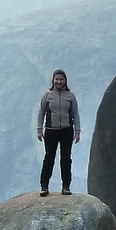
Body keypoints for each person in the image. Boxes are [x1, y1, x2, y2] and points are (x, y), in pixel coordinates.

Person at [36, 68, 80, 197]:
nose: (59, 82)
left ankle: (66, 186)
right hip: (51, 130)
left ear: (65, 81)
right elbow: (41, 112)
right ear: (53, 80)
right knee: (49, 158)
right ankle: (44, 185)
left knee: (66, 159)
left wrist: (77, 131)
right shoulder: (47, 95)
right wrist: (39, 130)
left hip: (66, 130)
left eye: (61, 79)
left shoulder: (70, 96)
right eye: (57, 79)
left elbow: (75, 114)